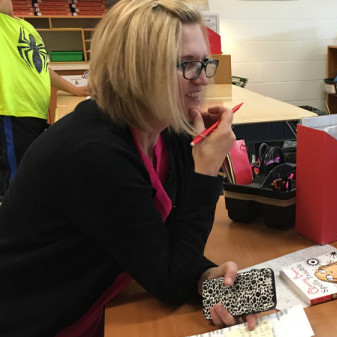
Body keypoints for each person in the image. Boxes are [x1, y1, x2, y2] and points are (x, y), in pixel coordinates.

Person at [0, 0, 258, 335]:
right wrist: (206, 170)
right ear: (136, 68)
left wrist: (204, 275)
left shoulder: (170, 130)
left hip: (98, 299)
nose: (203, 79)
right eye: (187, 65)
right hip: (43, 320)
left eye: (205, 63)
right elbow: (167, 283)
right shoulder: (94, 153)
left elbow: (155, 244)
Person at [0, 0, 89, 199]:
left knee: (29, 175)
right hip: (12, 113)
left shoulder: (26, 26)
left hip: (34, 114)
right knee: (14, 184)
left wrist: (74, 89)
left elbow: (41, 68)